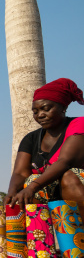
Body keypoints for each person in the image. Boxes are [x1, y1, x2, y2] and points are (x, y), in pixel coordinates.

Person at [6, 78, 84, 216]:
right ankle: (40, 235)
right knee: (25, 188)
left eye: (46, 109)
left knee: (67, 176)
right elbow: (20, 173)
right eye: (35, 111)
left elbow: (64, 162)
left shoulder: (78, 125)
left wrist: (33, 187)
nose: (40, 115)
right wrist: (11, 192)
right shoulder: (31, 138)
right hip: (50, 192)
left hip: (76, 187)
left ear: (63, 107)